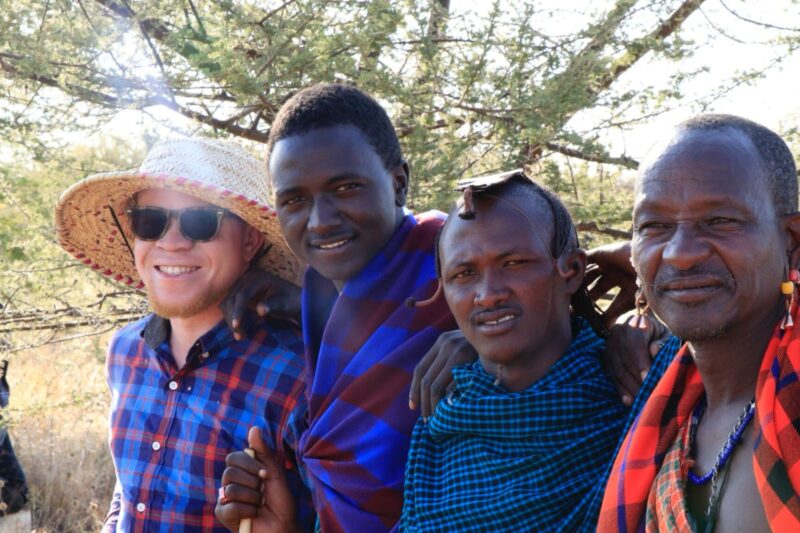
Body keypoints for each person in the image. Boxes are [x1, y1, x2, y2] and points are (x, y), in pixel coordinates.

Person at [216, 83, 457, 532]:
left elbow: (550, 295)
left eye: (346, 188)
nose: (321, 219)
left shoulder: (456, 261)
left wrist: (487, 343)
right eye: (295, 200)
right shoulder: (315, 298)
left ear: (399, 183)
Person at [54, 138, 314, 532]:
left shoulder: (300, 376)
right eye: (150, 221)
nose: (171, 242)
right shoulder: (125, 352)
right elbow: (129, 491)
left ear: (250, 241)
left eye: (200, 222)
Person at [597, 114, 800, 532]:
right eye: (654, 226)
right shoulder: (670, 412)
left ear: (792, 242)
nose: (679, 253)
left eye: (721, 221)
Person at [400, 171, 628, 531]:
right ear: (442, 289)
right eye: (464, 273)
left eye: (514, 263)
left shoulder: (632, 392)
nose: (488, 294)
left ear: (571, 270)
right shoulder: (441, 425)